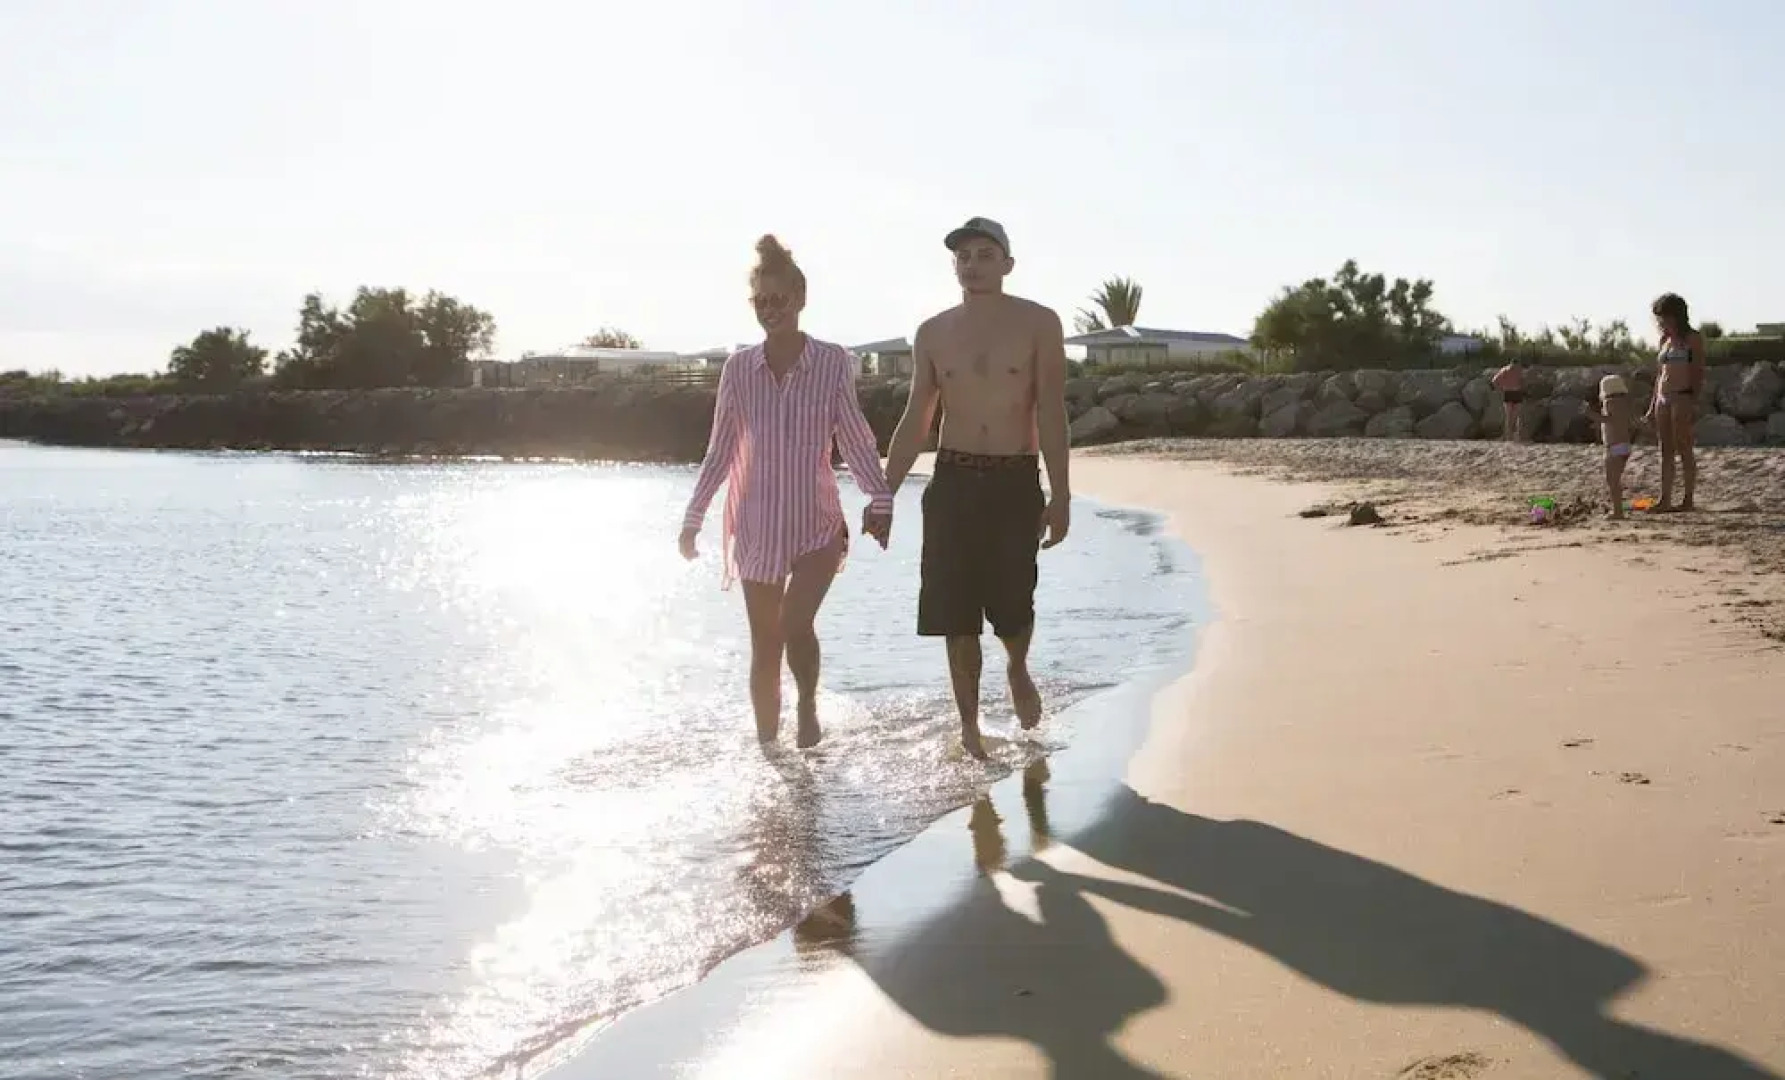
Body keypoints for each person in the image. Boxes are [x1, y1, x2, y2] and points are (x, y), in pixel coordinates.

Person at [679, 235, 894, 748]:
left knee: (795, 624)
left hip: (817, 523)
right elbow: (720, 449)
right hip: (757, 526)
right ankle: (768, 755)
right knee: (765, 646)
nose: (770, 309)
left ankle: (807, 704)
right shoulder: (738, 370)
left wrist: (879, 496)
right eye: (761, 301)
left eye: (779, 299)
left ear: (800, 298)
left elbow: (853, 434)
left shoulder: (832, 361)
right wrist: (693, 517)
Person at [880, 217, 1070, 760]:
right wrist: (884, 492)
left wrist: (1061, 494)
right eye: (964, 257)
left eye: (986, 255)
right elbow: (917, 418)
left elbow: (1050, 411)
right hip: (954, 481)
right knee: (954, 611)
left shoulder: (1039, 323)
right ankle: (969, 726)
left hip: (1015, 478)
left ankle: (1017, 667)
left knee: (1014, 603)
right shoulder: (933, 332)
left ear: (1007, 264)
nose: (973, 265)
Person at [1644, 292, 1705, 512]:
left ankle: (1688, 499)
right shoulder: (1664, 341)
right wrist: (1652, 406)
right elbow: (1659, 375)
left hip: (1682, 395)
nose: (1660, 322)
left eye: (1664, 317)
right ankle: (1665, 499)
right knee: (1665, 449)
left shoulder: (1692, 339)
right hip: (1663, 397)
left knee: (1684, 446)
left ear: (1675, 315)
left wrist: (1693, 399)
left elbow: (1697, 371)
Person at [1582, 374, 1636, 518]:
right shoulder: (1624, 403)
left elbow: (1611, 420)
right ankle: (1618, 508)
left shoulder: (1610, 403)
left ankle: (1618, 511)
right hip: (1624, 444)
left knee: (1612, 481)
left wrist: (1591, 415)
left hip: (1614, 446)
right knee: (1615, 480)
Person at [1489, 359, 1526, 442]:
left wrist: (1501, 388)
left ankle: (1509, 436)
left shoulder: (1505, 370)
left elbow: (1494, 381)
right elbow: (1523, 382)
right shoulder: (1517, 371)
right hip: (1514, 392)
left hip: (1509, 392)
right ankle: (1512, 436)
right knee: (1514, 416)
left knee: (1510, 416)